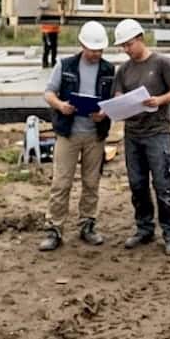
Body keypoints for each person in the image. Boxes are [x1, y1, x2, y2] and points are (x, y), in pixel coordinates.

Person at [39, 21, 115, 251]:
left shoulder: (108, 69)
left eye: (100, 50)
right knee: (61, 183)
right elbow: (49, 93)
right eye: (93, 50)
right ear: (82, 44)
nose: (96, 54)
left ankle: (87, 225)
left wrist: (105, 112)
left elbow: (113, 99)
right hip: (68, 133)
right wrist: (61, 106)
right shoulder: (65, 65)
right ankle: (54, 228)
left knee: (91, 183)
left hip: (95, 135)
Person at [112, 18, 170, 256]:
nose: (126, 50)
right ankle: (144, 228)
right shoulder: (124, 70)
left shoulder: (161, 63)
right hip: (133, 134)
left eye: (129, 44)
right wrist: (121, 104)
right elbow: (118, 94)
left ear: (140, 39)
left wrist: (159, 100)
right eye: (122, 46)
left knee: (163, 185)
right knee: (138, 184)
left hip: (157, 133)